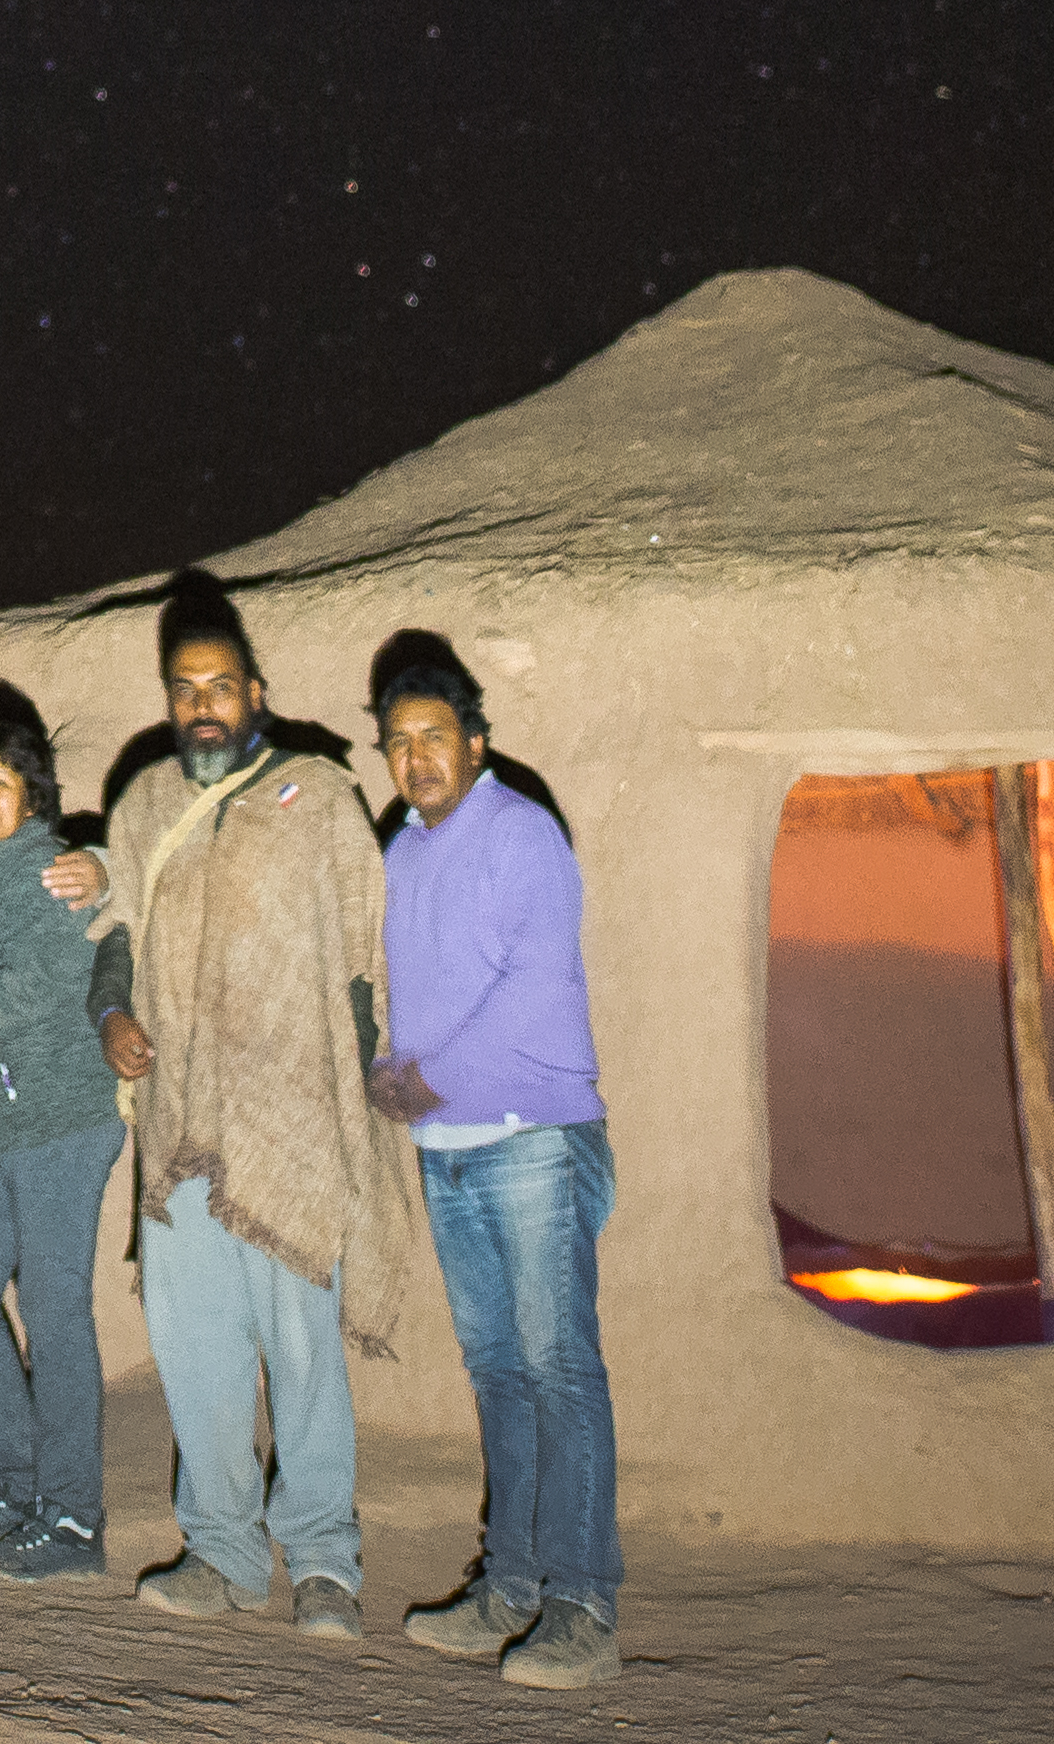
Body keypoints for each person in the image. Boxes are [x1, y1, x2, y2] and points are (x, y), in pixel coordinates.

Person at [92, 569, 420, 1640]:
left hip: (292, 1121)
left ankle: (323, 1561)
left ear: (255, 689)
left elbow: (368, 956)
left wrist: (361, 1105)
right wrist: (112, 1021)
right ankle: (221, 1549)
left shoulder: (317, 795)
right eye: (184, 687)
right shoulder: (144, 801)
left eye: (220, 684)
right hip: (184, 1125)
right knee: (196, 1349)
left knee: (305, 1353)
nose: (201, 704)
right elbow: (115, 942)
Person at [369, 640, 622, 1690]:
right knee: (499, 1373)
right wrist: (387, 1066)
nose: (417, 757)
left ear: (474, 740)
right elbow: (400, 987)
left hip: (529, 1136)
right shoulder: (401, 848)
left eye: (435, 736)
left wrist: (423, 1077)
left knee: (559, 1369)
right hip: (451, 1152)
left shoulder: (519, 830)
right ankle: (510, 1586)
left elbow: (531, 981)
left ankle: (583, 1606)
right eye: (398, 742)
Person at [0, 707, 127, 1586]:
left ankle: (74, 1516)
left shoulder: (44, 869)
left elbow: (47, 981)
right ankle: (23, 1479)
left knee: (52, 1313)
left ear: (31, 794)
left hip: (60, 1125)